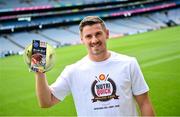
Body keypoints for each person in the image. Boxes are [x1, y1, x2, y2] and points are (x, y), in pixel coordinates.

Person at [34, 16, 155, 116]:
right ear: (82, 39)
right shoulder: (72, 71)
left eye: (98, 34)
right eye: (88, 36)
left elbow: (144, 103)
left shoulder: (129, 63)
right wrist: (39, 71)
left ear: (106, 34)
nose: (94, 40)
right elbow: (46, 102)